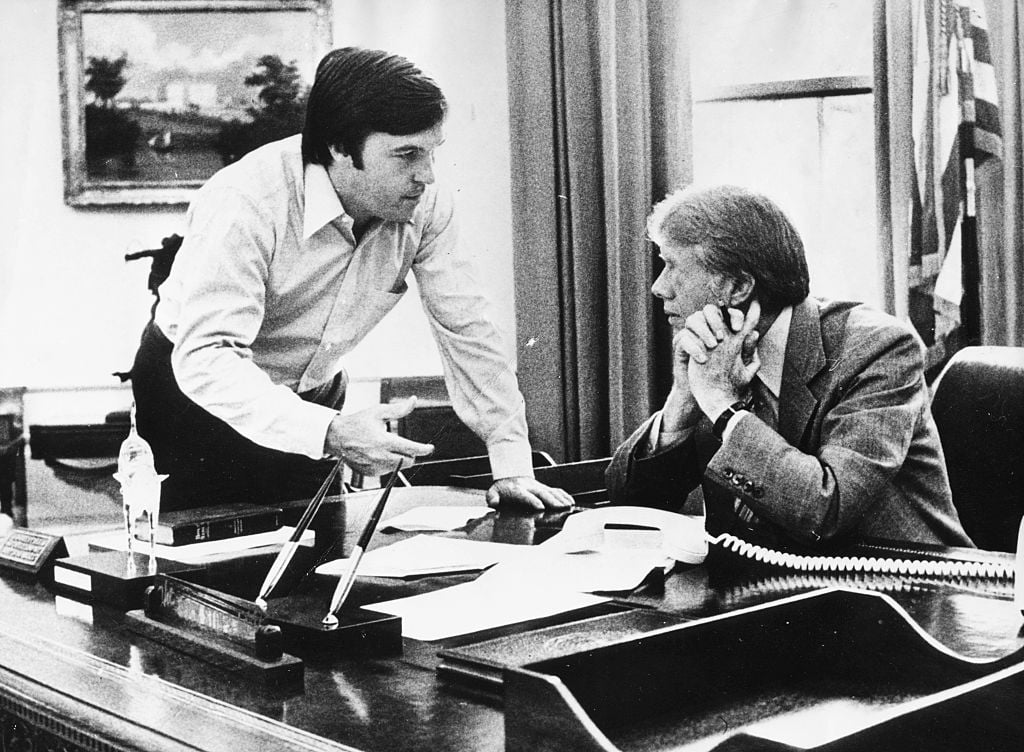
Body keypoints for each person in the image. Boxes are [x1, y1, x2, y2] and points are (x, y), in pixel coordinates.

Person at [130, 47, 573, 512]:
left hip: (313, 393)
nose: (426, 176)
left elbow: (467, 329)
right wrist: (327, 432)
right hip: (191, 396)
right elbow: (208, 356)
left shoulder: (427, 203)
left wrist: (511, 463)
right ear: (340, 148)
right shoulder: (246, 199)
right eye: (406, 155)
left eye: (430, 152)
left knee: (314, 559)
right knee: (199, 565)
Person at [606, 184, 972, 548]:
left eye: (672, 266)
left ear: (737, 287)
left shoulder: (877, 348)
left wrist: (722, 406)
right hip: (772, 590)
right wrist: (683, 402)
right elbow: (629, 506)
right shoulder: (715, 351)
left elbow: (828, 508)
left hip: (911, 589)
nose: (659, 287)